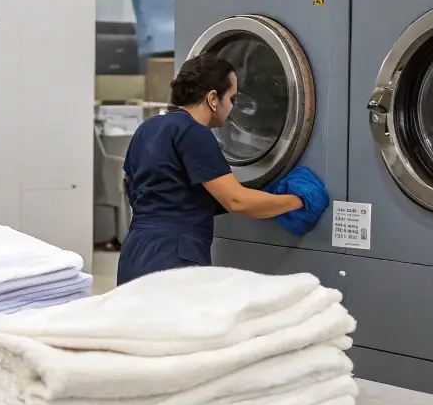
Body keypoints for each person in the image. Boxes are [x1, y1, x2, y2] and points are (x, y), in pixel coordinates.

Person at [118, 53, 328, 286]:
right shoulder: (194, 132)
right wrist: (298, 201)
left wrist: (260, 192)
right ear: (212, 98)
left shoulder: (148, 128)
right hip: (173, 255)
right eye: (232, 98)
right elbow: (236, 201)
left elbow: (152, 191)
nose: (233, 108)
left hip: (135, 250)